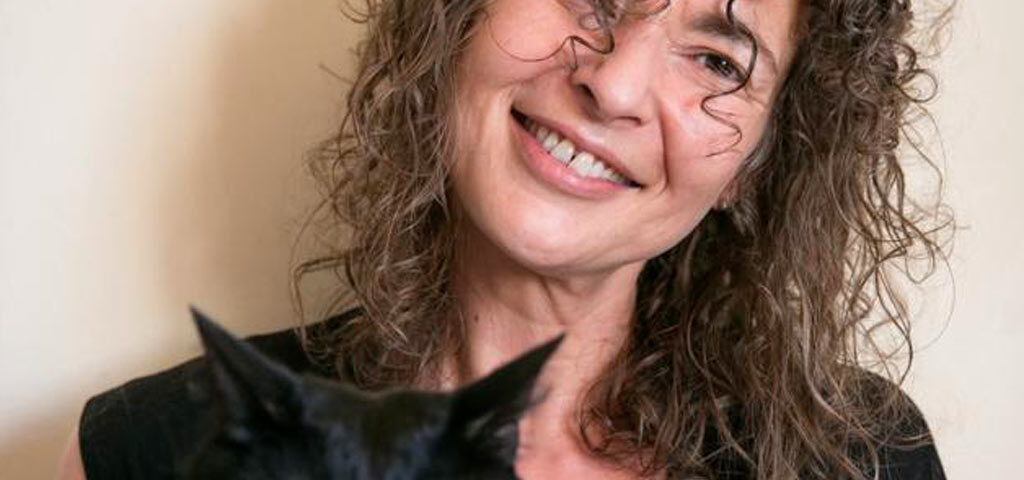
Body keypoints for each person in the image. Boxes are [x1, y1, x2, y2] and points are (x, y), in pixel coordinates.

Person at [61, 0, 952, 478]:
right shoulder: (149, 451)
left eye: (718, 61)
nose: (614, 85)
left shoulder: (862, 462)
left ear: (752, 167)